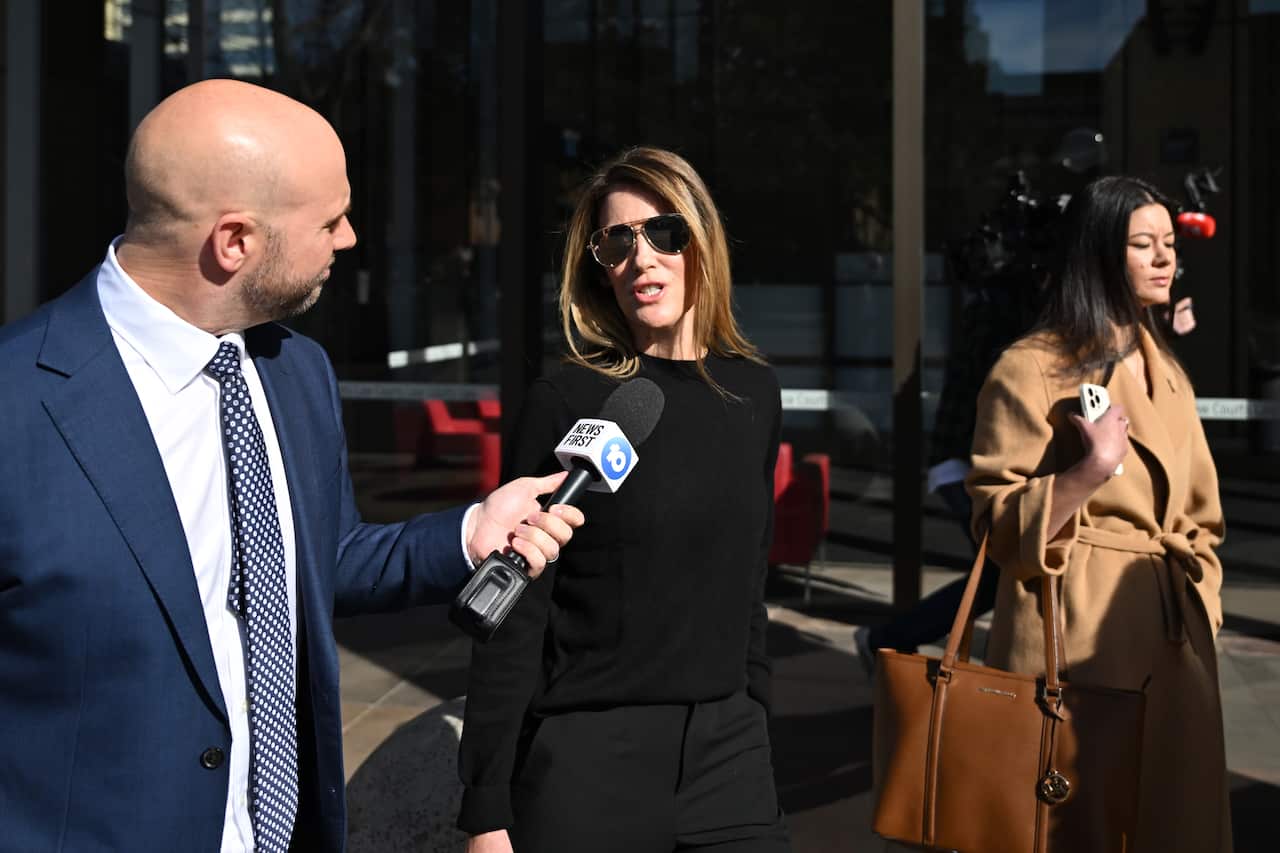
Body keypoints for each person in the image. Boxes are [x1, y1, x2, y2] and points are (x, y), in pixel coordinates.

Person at [0, 79, 583, 853]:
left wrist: (472, 532)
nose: (349, 239)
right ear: (234, 241)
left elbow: (322, 561)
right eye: (331, 220)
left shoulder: (292, 369)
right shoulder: (17, 405)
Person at [457, 147, 791, 853]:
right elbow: (517, 608)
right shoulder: (567, 401)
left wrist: (755, 709)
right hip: (588, 760)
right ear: (599, 268)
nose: (643, 258)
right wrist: (486, 805)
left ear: (701, 240)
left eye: (665, 231)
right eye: (617, 241)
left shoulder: (754, 394)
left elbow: (748, 579)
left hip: (730, 756)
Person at [967, 175, 1230, 852]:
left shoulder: (1166, 369)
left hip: (1174, 644)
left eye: (1169, 244)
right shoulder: (1031, 369)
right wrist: (1086, 472)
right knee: (1072, 826)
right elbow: (995, 522)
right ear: (1098, 255)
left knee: (1169, 824)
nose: (1165, 258)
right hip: (1075, 643)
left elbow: (1202, 516)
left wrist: (1203, 594)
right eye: (1144, 244)